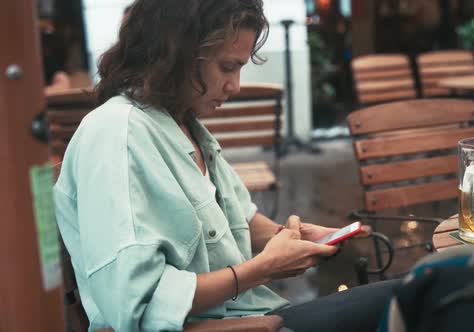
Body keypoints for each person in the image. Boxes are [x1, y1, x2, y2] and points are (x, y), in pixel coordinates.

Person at [53, 1, 400, 331]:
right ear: (177, 54)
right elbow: (138, 303)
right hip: (237, 326)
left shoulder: (180, 125)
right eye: (227, 67)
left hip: (258, 316)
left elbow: (233, 221)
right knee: (420, 293)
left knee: (422, 289)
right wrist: (262, 270)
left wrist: (290, 236)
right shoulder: (118, 133)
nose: (235, 86)